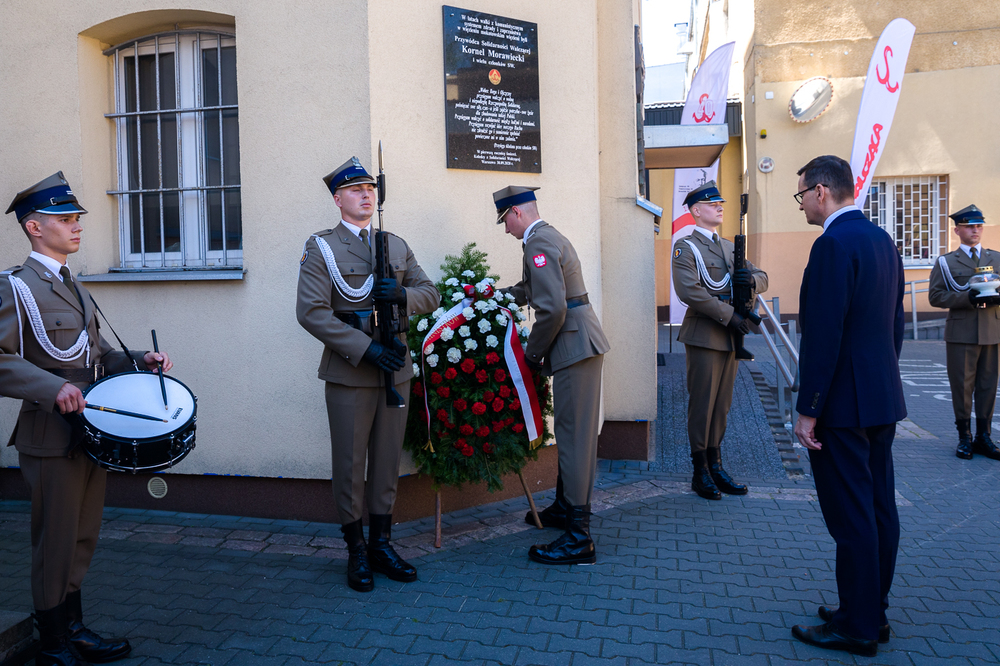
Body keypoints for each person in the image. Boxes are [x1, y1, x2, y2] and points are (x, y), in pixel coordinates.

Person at [0, 172, 171, 666]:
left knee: (82, 534)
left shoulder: (74, 285)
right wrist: (53, 388)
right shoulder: (16, 287)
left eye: (76, 218)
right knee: (54, 539)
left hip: (91, 431)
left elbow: (93, 359)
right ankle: (51, 640)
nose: (76, 226)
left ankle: (72, 626)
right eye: (64, 218)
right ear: (34, 227)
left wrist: (139, 359)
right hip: (49, 435)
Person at [296, 156, 439, 592]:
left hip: (396, 369)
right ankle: (355, 549)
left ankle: (382, 543)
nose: (365, 195)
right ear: (338, 198)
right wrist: (366, 348)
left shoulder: (395, 244)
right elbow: (311, 313)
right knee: (350, 462)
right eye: (355, 189)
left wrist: (401, 294)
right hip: (351, 373)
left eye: (370, 189)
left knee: (386, 462)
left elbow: (430, 294)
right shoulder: (322, 248)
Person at [791, 155, 906, 657]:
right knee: (879, 506)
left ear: (821, 192)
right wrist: (881, 380)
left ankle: (857, 626)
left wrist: (808, 407)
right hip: (880, 397)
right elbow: (893, 327)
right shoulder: (881, 240)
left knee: (851, 515)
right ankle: (869, 610)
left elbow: (823, 335)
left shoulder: (832, 245)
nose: (801, 207)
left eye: (800, 196)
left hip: (841, 406)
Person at [493, 185, 610, 565]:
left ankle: (579, 537)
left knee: (574, 437)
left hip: (574, 345)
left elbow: (553, 309)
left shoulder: (536, 242)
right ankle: (563, 507)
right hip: (580, 344)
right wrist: (495, 296)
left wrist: (531, 355)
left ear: (516, 213)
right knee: (571, 430)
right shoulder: (547, 235)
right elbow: (535, 288)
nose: (506, 229)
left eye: (505, 221)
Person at [670, 181, 767, 500]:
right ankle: (700, 470)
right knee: (703, 405)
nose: (719, 207)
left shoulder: (729, 247)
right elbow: (690, 292)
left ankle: (716, 464)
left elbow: (763, 277)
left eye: (720, 203)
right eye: (712, 204)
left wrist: (750, 279)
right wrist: (731, 316)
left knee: (722, 406)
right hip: (706, 335)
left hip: (730, 337)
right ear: (696, 211)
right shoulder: (686, 247)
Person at [927, 204, 1000, 461]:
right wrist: (966, 298)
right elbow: (935, 296)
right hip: (962, 332)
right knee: (962, 387)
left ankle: (984, 437)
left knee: (988, 386)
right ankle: (964, 438)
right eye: (969, 226)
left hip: (992, 330)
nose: (975, 230)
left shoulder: (997, 258)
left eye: (979, 226)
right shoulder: (947, 262)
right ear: (958, 230)